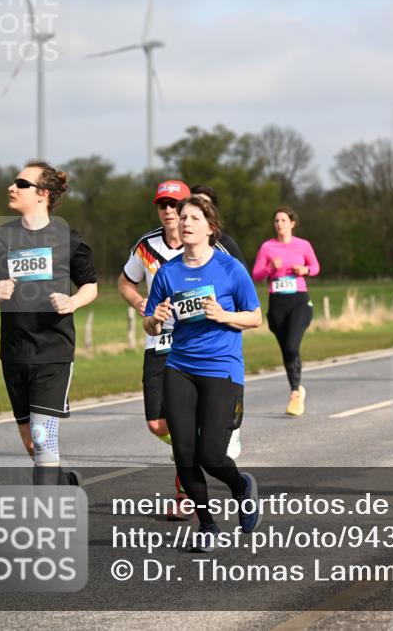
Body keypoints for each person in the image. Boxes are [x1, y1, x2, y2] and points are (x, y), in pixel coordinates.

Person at [119, 180, 244, 517]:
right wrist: (143, 306)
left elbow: (242, 300)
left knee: (189, 435)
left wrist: (223, 316)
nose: (169, 212)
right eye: (162, 205)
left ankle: (187, 486)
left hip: (204, 348)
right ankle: (194, 443)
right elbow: (125, 281)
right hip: (159, 343)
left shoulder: (215, 250)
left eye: (175, 205)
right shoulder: (147, 248)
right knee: (158, 425)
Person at [143, 197, 263, 550]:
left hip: (222, 368)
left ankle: (241, 486)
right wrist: (157, 317)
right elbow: (149, 325)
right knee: (184, 454)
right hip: (179, 366)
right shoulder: (168, 272)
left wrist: (224, 316)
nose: (185, 222)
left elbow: (255, 317)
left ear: (210, 227)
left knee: (211, 456)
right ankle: (208, 525)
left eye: (194, 217)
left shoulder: (230, 270)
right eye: (182, 218)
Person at [0, 161, 98, 485]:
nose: (11, 187)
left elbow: (90, 286)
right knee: (32, 442)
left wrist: (72, 301)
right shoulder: (1, 238)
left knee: (43, 439)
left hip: (53, 352)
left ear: (42, 194)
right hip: (14, 352)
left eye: (21, 183)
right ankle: (63, 483)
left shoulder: (68, 239)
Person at [251, 207, 320, 416]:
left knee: (291, 345)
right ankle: (297, 390)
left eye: (283, 220)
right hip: (277, 304)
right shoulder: (267, 247)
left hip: (299, 301)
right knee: (287, 351)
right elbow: (256, 275)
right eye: (276, 221)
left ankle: (294, 394)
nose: (279, 224)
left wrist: (305, 270)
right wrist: (271, 267)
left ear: (292, 223)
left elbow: (316, 267)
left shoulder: (303, 245)